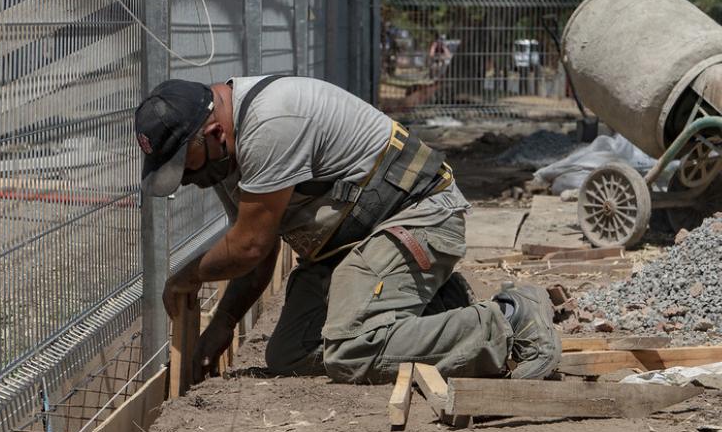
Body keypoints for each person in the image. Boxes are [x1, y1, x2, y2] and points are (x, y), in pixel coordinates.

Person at [134, 75, 561, 384]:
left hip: (419, 219)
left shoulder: (271, 122)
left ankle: (508, 321)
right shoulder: (226, 154)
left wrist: (184, 278)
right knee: (291, 353)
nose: (187, 179)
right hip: (358, 242)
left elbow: (247, 247)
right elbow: (258, 253)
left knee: (352, 348)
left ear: (211, 132)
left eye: (183, 164)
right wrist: (224, 321)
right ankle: (437, 310)